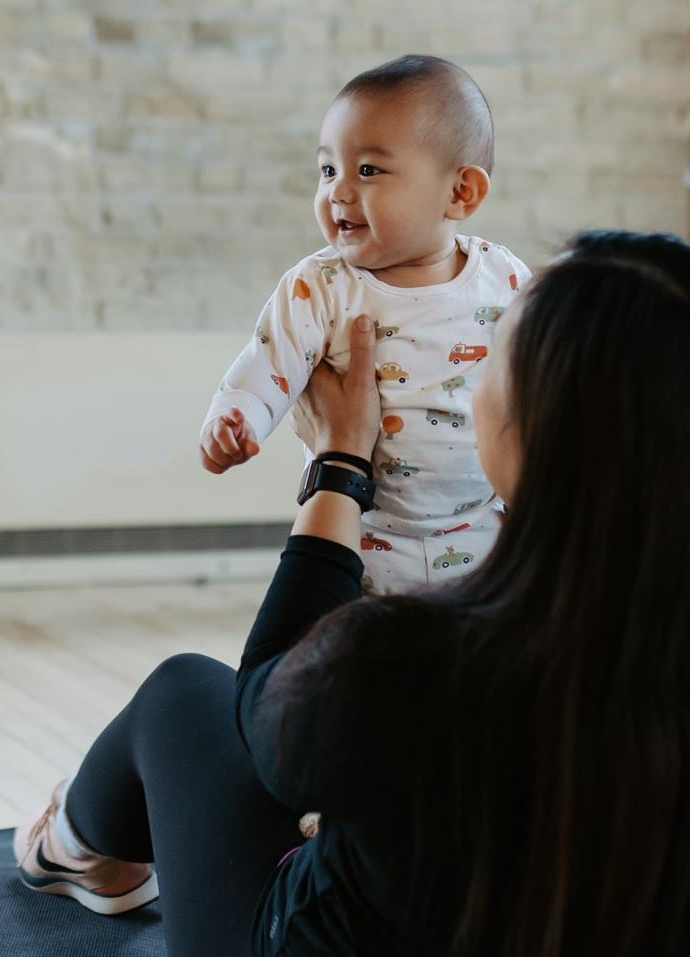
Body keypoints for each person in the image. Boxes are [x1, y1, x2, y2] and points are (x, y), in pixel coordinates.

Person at [17, 231, 690, 955]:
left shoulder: (415, 653)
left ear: (536, 432)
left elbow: (268, 725)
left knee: (188, 694)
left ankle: (75, 846)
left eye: (492, 354)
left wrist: (341, 459)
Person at [197, 54, 531, 595]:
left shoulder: (503, 279)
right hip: (365, 538)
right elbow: (265, 369)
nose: (338, 193)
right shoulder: (319, 287)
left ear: (460, 192)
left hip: (480, 534)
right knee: (357, 658)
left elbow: (537, 387)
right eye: (328, 170)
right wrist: (235, 420)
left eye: (368, 171)